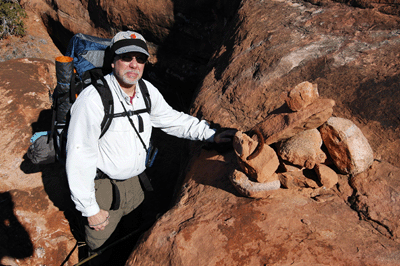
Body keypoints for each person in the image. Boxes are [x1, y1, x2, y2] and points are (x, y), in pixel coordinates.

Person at [65, 31, 236, 264]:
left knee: (130, 238)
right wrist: (90, 209)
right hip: (102, 190)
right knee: (101, 250)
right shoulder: (93, 100)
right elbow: (78, 155)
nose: (134, 64)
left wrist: (211, 134)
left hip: (136, 185)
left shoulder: (146, 91)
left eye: (140, 58)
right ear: (113, 61)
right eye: (126, 57)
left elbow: (172, 120)